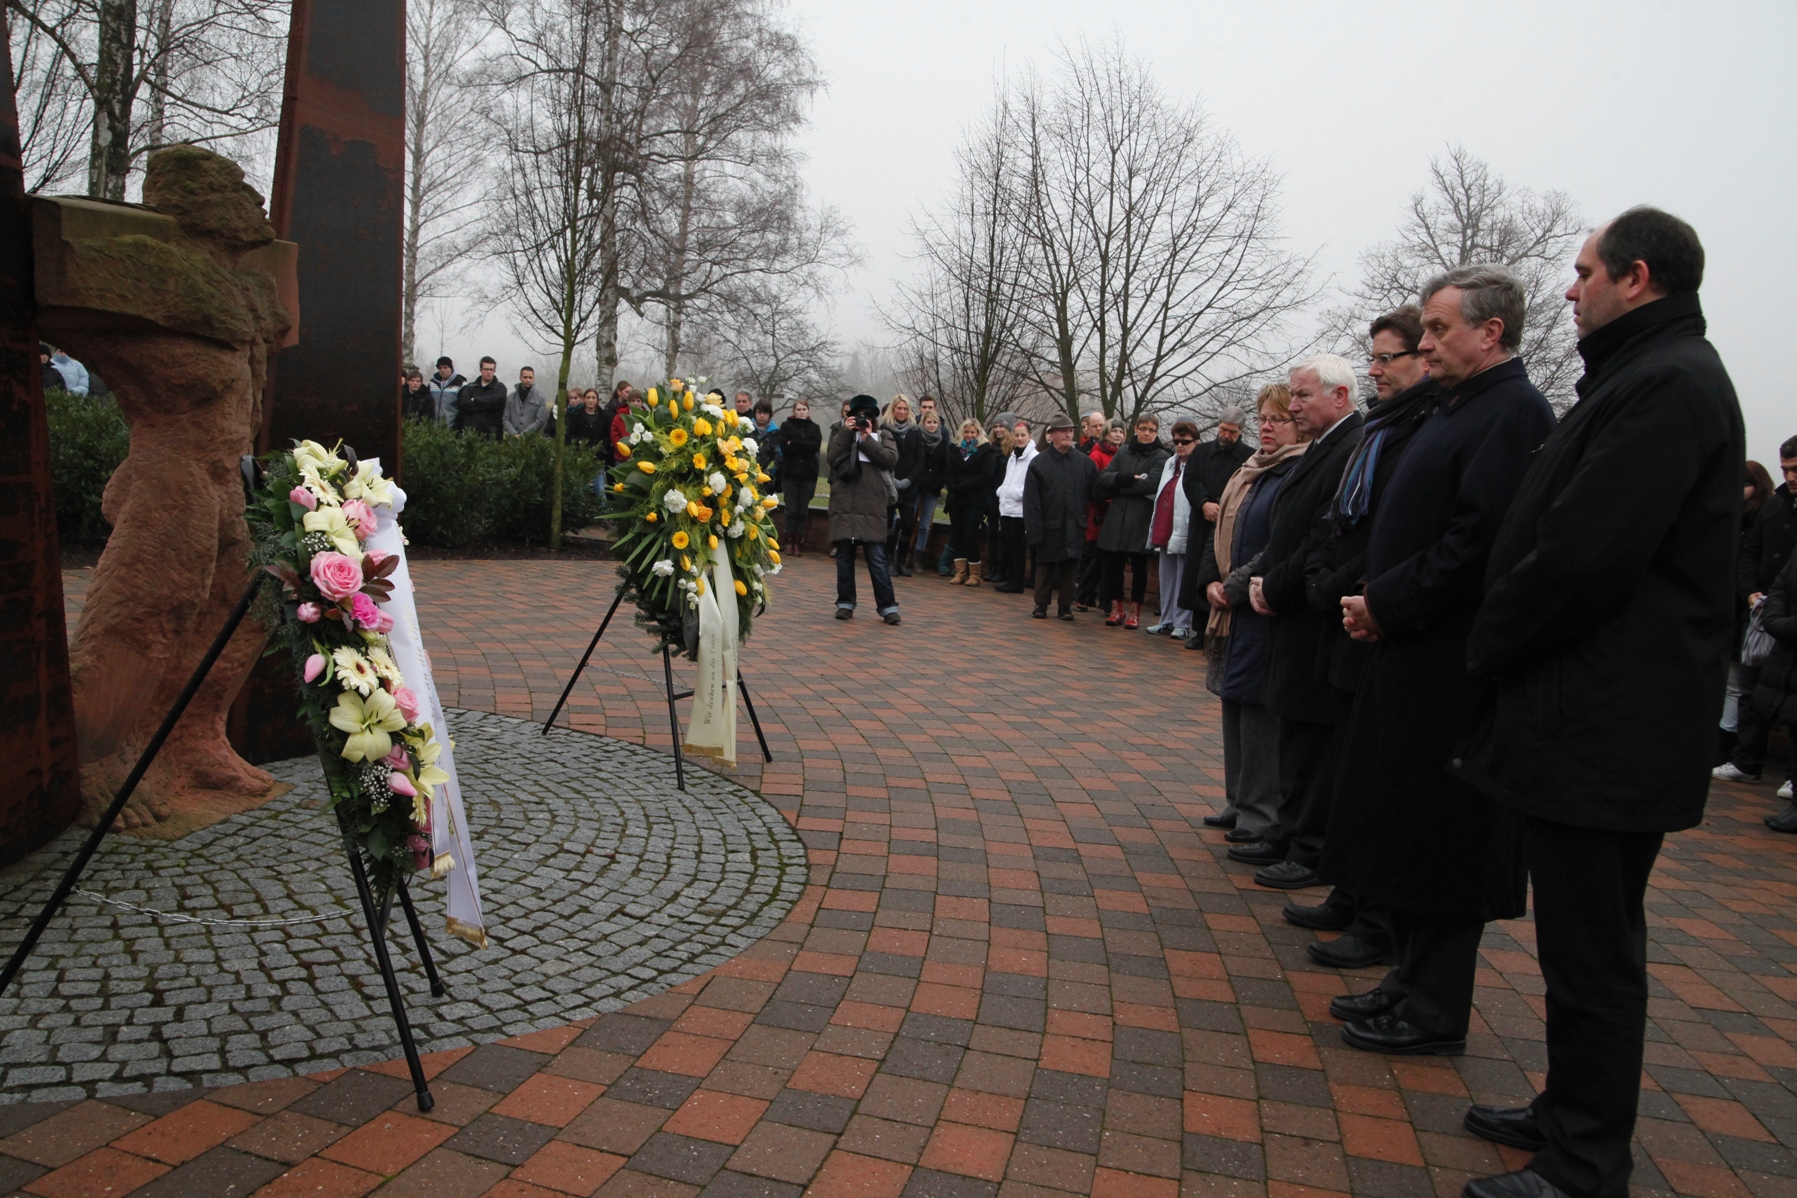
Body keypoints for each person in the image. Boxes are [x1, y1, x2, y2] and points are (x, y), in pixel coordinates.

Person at [1454, 208, 1741, 1198]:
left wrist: (1487, 645)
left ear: (1640, 276)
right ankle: (1565, 1110)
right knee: (1580, 946)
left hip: (1609, 727)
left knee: (1594, 956)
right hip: (1596, 717)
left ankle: (1582, 1162)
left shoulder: (1665, 386)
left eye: (1584, 272)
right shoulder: (1642, 376)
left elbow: (1582, 556)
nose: (1569, 288)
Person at [1321, 267, 1555, 1059]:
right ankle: (1409, 979)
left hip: (1448, 665)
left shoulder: (1514, 412)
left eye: (1437, 329)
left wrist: (1388, 601)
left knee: (1443, 835)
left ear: (1489, 332)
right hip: (1410, 652)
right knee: (1404, 823)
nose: (1422, 344)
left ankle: (1434, 1007)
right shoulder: (1460, 407)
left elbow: (1476, 541)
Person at [1284, 305, 1435, 966]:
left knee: (1370, 774)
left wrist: (1338, 584)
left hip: (1375, 613)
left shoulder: (1419, 427)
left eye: (1385, 357)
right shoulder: (1382, 429)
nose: (1374, 369)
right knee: (1347, 767)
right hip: (1342, 605)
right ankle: (1348, 890)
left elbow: (1392, 533)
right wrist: (1319, 574)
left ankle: (1372, 910)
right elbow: (1331, 522)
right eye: (1370, 358)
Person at [1225, 356, 1364, 889]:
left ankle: (1308, 845)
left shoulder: (1348, 445)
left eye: (1302, 396)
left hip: (1308, 606)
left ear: (1339, 397)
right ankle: (1288, 829)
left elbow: (1324, 534)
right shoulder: (1328, 446)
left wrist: (1276, 585)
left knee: (1310, 736)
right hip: (1288, 599)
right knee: (1292, 731)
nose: (1295, 404)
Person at [1198, 385, 1307, 845]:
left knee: (1259, 709)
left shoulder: (1295, 472)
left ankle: (1261, 811)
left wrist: (1237, 587)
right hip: (1231, 607)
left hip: (1260, 607)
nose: (1265, 427)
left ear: (1298, 424)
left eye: (1276, 419)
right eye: (1262, 418)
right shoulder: (1248, 471)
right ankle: (1238, 798)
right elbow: (1220, 527)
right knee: (1232, 700)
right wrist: (1210, 580)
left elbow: (1278, 544)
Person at [1716, 439, 1797, 783]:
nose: (1790, 476)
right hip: (1761, 610)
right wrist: (1750, 591)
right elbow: (1750, 552)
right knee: (1750, 688)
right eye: (1785, 469)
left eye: (1795, 469)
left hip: (1787, 615)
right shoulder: (1776, 506)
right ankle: (1746, 759)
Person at [827, 393, 901, 624]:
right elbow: (832, 457)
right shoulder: (839, 432)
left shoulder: (884, 434)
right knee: (844, 558)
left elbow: (890, 459)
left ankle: (888, 607)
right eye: (858, 416)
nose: (863, 420)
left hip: (872, 505)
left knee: (877, 558)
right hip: (845, 504)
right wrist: (847, 433)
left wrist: (868, 438)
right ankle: (845, 604)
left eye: (868, 416)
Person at [1177, 405, 1254, 621]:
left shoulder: (1249, 457)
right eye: (1223, 429)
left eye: (1232, 432)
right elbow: (1190, 479)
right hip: (1203, 520)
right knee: (1197, 570)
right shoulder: (1201, 452)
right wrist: (1203, 503)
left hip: (1229, 523)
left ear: (1240, 432)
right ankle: (1198, 627)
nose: (1226, 435)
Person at [1094, 416, 1172, 628]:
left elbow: (1152, 484)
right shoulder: (1123, 451)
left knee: (1139, 566)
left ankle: (1135, 611)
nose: (1147, 433)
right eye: (1143, 428)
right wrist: (1123, 479)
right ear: (1136, 429)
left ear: (1156, 432)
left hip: (1141, 517)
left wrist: (1120, 484)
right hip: (1117, 516)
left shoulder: (1161, 456)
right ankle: (1116, 607)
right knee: (1112, 565)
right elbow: (1104, 477)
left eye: (1152, 430)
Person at [1023, 413, 1098, 619]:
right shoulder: (1039, 463)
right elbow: (1031, 502)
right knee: (1045, 565)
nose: (1068, 434)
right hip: (1048, 523)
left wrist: (1118, 481)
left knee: (1069, 566)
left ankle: (1065, 606)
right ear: (1052, 434)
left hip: (1075, 522)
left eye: (1070, 430)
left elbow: (1097, 490)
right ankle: (1041, 605)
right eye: (1063, 430)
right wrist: (1035, 531)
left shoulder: (1084, 463)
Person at [1146, 421, 1200, 637]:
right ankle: (1166, 619)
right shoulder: (1170, 463)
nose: (1180, 445)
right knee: (1166, 575)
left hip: (1184, 525)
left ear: (1196, 442)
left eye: (1185, 441)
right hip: (1165, 522)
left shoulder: (1198, 464)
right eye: (1176, 441)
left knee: (1183, 576)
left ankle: (1183, 622)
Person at [1076, 420, 1125, 611]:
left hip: (1115, 514)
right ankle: (1084, 595)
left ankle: (1104, 600)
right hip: (1099, 514)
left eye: (1121, 431)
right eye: (1114, 431)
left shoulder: (1123, 455)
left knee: (1108, 560)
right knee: (1097, 558)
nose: (1118, 434)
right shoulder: (1096, 456)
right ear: (1106, 433)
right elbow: (1093, 487)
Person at [944, 419, 998, 587]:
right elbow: (948, 471)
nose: (969, 435)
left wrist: (962, 486)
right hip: (955, 499)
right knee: (957, 535)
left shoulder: (986, 451)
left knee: (970, 536)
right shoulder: (954, 450)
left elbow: (985, 476)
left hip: (974, 500)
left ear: (978, 433)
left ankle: (974, 574)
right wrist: (953, 486)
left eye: (972, 432)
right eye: (966, 432)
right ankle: (960, 572)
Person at [994, 416, 1039, 594]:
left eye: (1023, 435)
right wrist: (1002, 491)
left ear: (1029, 436)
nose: (1020, 438)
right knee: (1008, 545)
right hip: (1006, 506)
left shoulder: (1034, 458)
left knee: (1018, 547)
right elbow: (1008, 478)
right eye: (1017, 435)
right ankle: (1011, 579)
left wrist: (1013, 493)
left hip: (1020, 509)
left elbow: (1030, 485)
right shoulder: (1013, 455)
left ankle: (1017, 581)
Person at [775, 399, 822, 557]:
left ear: (808, 410)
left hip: (808, 475)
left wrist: (794, 442)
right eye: (799, 409)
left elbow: (814, 447)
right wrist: (800, 445)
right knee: (791, 510)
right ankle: (788, 541)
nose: (801, 412)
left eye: (804, 409)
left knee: (802, 511)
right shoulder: (786, 426)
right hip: (790, 473)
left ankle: (798, 541)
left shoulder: (815, 428)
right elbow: (784, 447)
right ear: (794, 411)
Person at [884, 395, 925, 575]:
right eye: (899, 408)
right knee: (889, 526)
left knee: (908, 525)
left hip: (909, 486)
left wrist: (909, 480)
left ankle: (901, 561)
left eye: (905, 409)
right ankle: (888, 561)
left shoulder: (916, 432)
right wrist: (891, 480)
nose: (902, 412)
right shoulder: (885, 430)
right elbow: (880, 456)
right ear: (893, 409)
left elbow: (920, 459)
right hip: (889, 485)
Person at [911, 411, 949, 570]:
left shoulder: (942, 441)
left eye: (934, 423)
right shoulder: (917, 438)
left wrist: (938, 483)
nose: (932, 425)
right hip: (916, 485)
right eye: (929, 422)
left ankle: (918, 557)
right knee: (909, 521)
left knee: (925, 525)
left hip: (932, 488)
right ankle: (900, 553)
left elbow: (945, 466)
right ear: (923, 423)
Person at [455, 356, 506, 437]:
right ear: (480, 370)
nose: (489, 372)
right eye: (486, 369)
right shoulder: (470, 387)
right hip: (470, 434)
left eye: (491, 369)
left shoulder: (500, 387)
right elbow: (464, 404)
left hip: (491, 435)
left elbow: (497, 402)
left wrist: (475, 400)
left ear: (494, 371)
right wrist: (487, 407)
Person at [503, 366, 550, 436]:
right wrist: (514, 433)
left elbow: (540, 420)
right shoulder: (510, 398)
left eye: (530, 377)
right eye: (525, 377)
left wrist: (524, 434)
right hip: (513, 440)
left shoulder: (541, 398)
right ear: (520, 378)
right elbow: (505, 418)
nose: (528, 380)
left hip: (531, 440)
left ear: (534, 379)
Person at [428, 357, 464, 428]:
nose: (442, 370)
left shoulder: (461, 384)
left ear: (451, 368)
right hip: (433, 428)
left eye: (445, 367)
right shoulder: (432, 384)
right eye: (440, 368)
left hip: (451, 428)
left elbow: (463, 408)